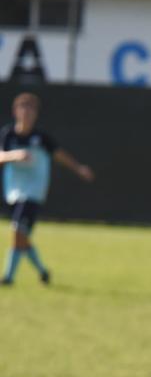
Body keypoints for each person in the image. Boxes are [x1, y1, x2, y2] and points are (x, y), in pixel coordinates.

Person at [0, 92, 94, 286]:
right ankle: (42, 271)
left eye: (31, 110)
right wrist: (15, 155)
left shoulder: (41, 138)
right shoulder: (8, 135)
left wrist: (79, 168)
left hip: (33, 192)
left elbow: (60, 155)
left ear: (36, 114)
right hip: (13, 191)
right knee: (22, 236)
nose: (27, 113)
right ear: (15, 111)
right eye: (23, 109)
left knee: (18, 231)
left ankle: (8, 277)